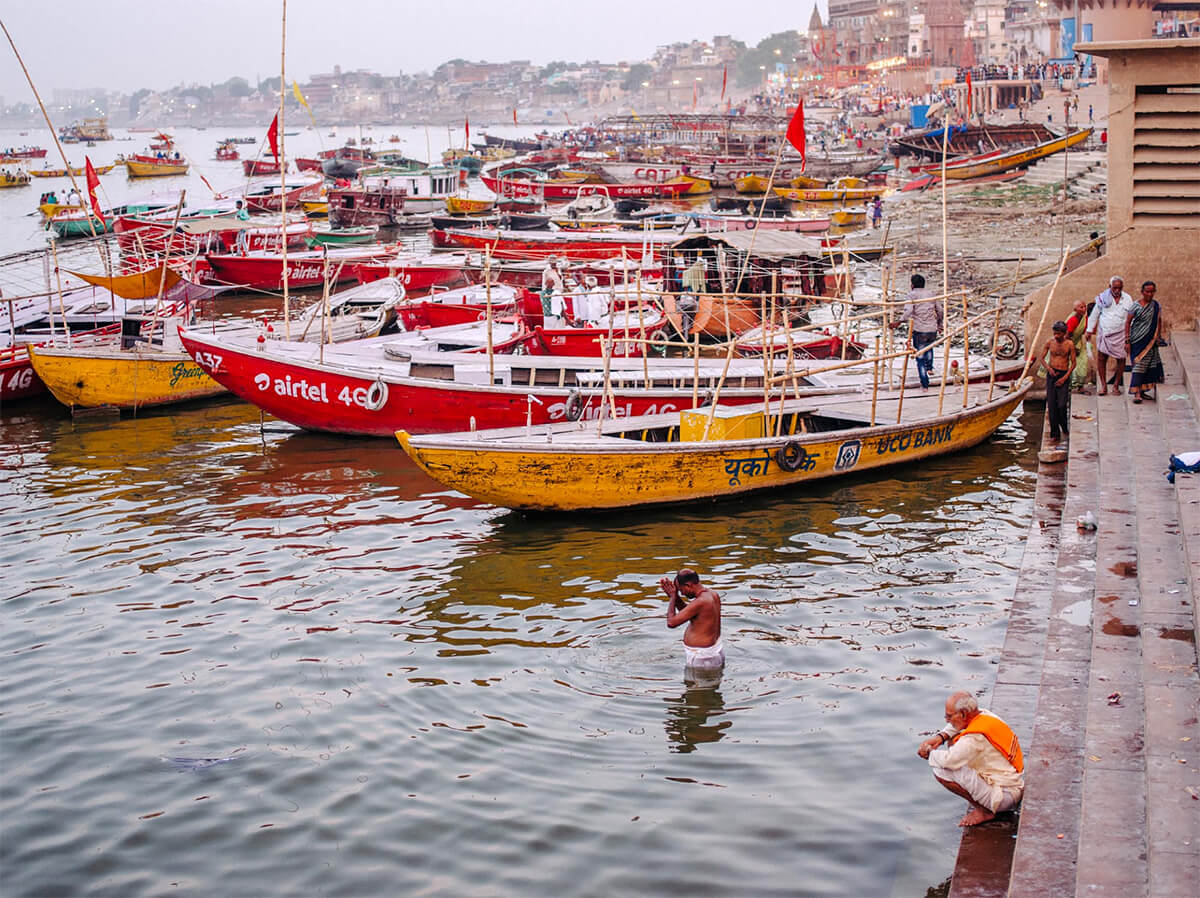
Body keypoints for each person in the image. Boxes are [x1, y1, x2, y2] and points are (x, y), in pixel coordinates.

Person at [917, 690, 1024, 827]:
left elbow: (948, 760)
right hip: (1014, 784)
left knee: (940, 770)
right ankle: (985, 801)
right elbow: (955, 728)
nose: (947, 720)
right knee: (954, 740)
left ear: (963, 714)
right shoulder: (985, 715)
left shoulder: (973, 739)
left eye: (949, 716)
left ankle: (984, 811)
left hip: (1004, 797)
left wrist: (928, 751)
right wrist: (941, 737)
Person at [660, 569, 723, 672]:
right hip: (711, 654)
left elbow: (671, 622)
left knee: (696, 688)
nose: (682, 594)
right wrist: (675, 596)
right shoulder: (712, 594)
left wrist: (672, 597)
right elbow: (689, 613)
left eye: (681, 590)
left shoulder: (701, 601)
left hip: (702, 659)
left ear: (688, 585)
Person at [890, 274, 943, 391]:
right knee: (929, 347)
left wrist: (899, 321)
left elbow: (908, 310)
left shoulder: (911, 295)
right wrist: (940, 324)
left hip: (919, 329)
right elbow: (940, 310)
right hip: (932, 328)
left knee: (920, 356)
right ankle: (930, 368)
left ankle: (924, 384)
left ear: (912, 285)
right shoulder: (931, 294)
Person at [1087, 275, 1133, 395]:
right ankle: (1103, 386)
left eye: (1119, 288)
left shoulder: (1127, 298)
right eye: (1115, 288)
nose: (1117, 291)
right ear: (1110, 287)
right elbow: (1094, 314)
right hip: (1105, 332)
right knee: (1102, 359)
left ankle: (1116, 385)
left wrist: (1129, 337)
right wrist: (1089, 330)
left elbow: (1131, 317)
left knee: (1121, 360)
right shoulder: (1103, 298)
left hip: (1121, 334)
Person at [1125, 280, 1164, 403]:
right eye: (1147, 291)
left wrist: (1158, 336)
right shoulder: (1135, 306)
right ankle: (1136, 392)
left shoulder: (1156, 306)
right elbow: (1128, 322)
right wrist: (1127, 340)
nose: (1150, 294)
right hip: (1137, 340)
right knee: (1138, 366)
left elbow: (1159, 321)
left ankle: (1142, 391)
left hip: (1150, 341)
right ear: (1142, 292)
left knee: (1148, 366)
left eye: (1152, 291)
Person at [1038, 321, 1076, 442]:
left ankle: (1064, 427)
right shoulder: (1050, 342)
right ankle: (1055, 433)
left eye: (1059, 334)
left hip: (1063, 374)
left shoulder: (1069, 344)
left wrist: (1065, 378)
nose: (1056, 336)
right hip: (1052, 374)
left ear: (1064, 333)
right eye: (1055, 333)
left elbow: (1074, 363)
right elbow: (1041, 358)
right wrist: (1049, 369)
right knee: (1052, 405)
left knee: (1061, 404)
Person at [1065, 299, 1092, 391]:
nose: (1084, 309)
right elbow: (1067, 336)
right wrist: (1072, 348)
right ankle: (1070, 386)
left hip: (1078, 343)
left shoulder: (1084, 318)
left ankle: (1080, 386)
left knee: (1083, 363)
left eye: (1085, 307)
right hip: (1070, 344)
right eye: (1081, 307)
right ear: (1075, 309)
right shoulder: (1073, 320)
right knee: (1070, 365)